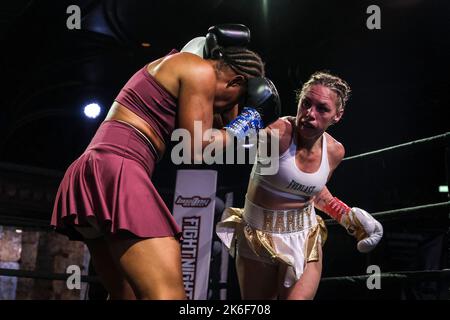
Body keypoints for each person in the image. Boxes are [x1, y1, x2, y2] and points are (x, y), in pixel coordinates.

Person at [51, 24, 280, 300]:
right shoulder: (199, 70)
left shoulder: (178, 68)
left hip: (93, 168)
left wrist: (247, 120)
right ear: (236, 82)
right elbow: (198, 147)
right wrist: (250, 118)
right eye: (237, 100)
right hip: (119, 166)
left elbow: (221, 130)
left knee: (127, 296)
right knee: (168, 296)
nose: (227, 109)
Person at [217, 71, 383, 300]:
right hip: (258, 236)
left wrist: (347, 217)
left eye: (322, 108)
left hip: (304, 236)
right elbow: (223, 139)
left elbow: (314, 193)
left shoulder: (335, 152)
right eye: (306, 103)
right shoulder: (276, 134)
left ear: (337, 115)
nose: (309, 114)